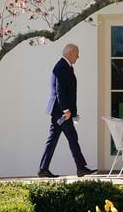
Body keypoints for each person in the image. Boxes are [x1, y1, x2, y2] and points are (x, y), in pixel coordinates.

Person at [38, 44, 96, 178]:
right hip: (61, 111)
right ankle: (81, 168)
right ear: (70, 53)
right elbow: (60, 91)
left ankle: (43, 168)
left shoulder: (65, 66)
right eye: (77, 54)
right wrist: (66, 110)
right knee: (72, 138)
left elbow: (68, 92)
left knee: (53, 139)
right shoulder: (62, 67)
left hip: (60, 111)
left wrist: (73, 112)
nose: (78, 57)